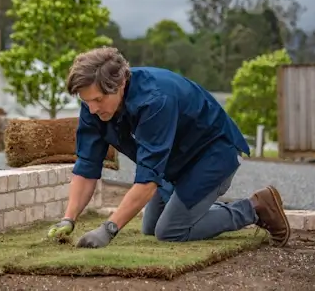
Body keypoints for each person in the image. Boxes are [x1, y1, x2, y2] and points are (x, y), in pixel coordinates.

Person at [47, 47, 291, 249]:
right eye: (86, 101)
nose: (92, 109)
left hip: (211, 156)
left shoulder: (155, 100)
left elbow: (147, 180)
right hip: (173, 165)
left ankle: (255, 208)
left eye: (98, 100)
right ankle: (194, 208)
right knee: (150, 227)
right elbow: (87, 167)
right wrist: (68, 219)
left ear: (120, 83)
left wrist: (108, 229)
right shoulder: (93, 108)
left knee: (170, 230)